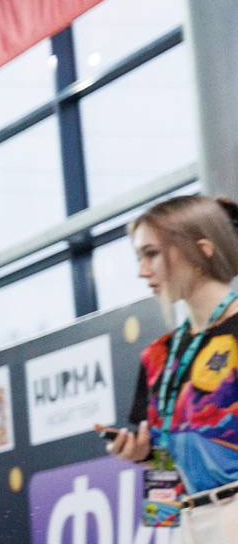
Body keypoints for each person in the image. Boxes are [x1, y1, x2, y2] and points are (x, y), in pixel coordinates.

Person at [106, 193, 238, 525]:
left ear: (202, 249)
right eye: (139, 256)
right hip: (190, 526)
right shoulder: (157, 356)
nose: (141, 271)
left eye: (151, 254)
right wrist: (143, 457)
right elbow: (166, 453)